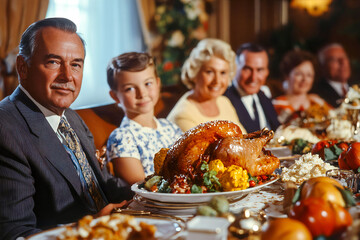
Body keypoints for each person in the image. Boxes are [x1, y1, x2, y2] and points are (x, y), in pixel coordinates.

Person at [0, 18, 133, 240]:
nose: (68, 76)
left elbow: (101, 183)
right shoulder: (6, 128)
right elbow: (14, 233)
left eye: (76, 64)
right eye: (54, 62)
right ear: (22, 67)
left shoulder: (70, 116)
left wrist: (154, 188)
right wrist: (87, 231)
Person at [106, 52, 183, 185]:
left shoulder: (171, 128)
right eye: (129, 88)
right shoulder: (122, 137)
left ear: (158, 84)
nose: (142, 94)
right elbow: (142, 186)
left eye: (148, 84)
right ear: (115, 96)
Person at [166, 38, 246, 133]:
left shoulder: (224, 102)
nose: (217, 81)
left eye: (223, 72)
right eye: (209, 72)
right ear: (194, 73)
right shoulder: (183, 115)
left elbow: (244, 139)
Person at [224, 43, 280, 133]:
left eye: (260, 70)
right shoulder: (224, 100)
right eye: (247, 69)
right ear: (234, 68)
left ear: (267, 72)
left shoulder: (263, 96)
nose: (253, 78)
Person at [272, 50, 332, 124]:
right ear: (287, 75)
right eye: (299, 74)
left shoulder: (318, 103)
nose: (304, 79)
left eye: (309, 75)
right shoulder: (277, 105)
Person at [311, 43, 352, 108]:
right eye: (334, 59)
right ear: (322, 66)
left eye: (344, 57)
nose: (342, 62)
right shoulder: (316, 93)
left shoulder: (356, 87)